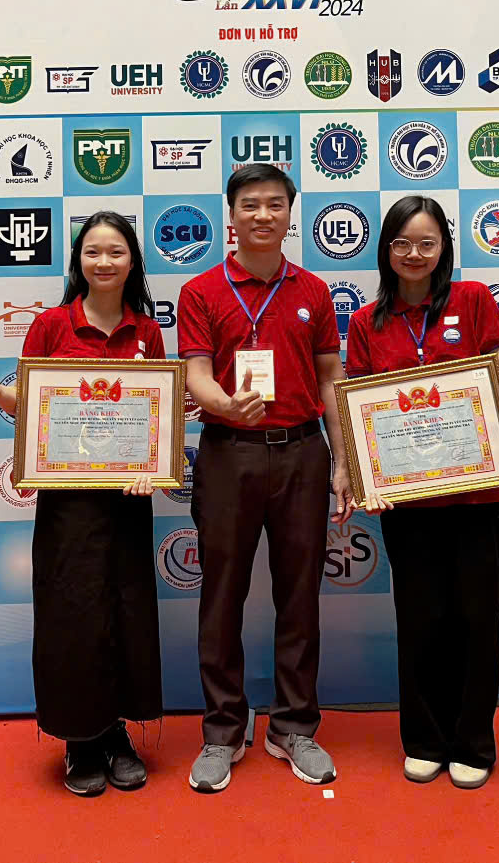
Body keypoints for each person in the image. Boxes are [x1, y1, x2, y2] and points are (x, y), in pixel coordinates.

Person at [344, 195, 499, 790]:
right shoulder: (365, 323)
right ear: (386, 249)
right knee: (420, 620)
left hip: (474, 496)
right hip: (407, 503)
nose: (414, 254)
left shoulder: (473, 299)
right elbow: (359, 412)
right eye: (402, 243)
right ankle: (424, 739)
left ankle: (473, 742)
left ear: (444, 248)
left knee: (477, 619)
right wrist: (366, 479)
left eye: (426, 243)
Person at [0, 211, 165, 798]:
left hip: (127, 501)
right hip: (67, 500)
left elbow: (155, 414)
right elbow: (31, 404)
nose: (104, 262)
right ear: (78, 261)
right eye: (93, 252)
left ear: (133, 261)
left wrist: (152, 466)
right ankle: (81, 739)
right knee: (72, 614)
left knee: (124, 612)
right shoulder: (51, 325)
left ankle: (116, 732)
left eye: (116, 252)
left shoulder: (147, 331)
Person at [178, 163, 354, 793]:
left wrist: (343, 460)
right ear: (231, 215)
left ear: (290, 214)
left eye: (274, 204)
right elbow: (196, 374)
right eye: (249, 204)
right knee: (221, 595)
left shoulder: (313, 290)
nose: (262, 215)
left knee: (299, 595)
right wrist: (224, 404)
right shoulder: (200, 291)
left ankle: (293, 727)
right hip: (228, 453)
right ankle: (223, 730)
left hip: (302, 454)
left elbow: (331, 378)